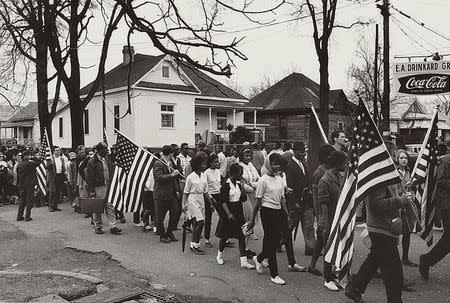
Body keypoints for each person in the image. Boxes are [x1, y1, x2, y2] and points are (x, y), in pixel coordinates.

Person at [345, 142, 413, 303]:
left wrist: (404, 188)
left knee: (374, 260)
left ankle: (355, 287)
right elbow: (376, 205)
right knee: (394, 272)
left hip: (385, 227)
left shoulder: (386, 175)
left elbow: (390, 193)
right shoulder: (378, 178)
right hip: (381, 229)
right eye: (393, 154)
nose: (396, 158)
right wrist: (400, 200)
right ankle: (395, 300)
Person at [249, 153, 291, 285]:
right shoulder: (263, 180)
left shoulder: (279, 178)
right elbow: (258, 202)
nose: (276, 166)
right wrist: (252, 220)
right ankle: (274, 274)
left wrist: (287, 214)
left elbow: (282, 199)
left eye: (278, 163)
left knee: (273, 241)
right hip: (267, 212)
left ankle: (259, 258)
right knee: (272, 243)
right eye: (274, 163)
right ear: (268, 164)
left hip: (278, 211)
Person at [216, 163, 255, 269]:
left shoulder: (238, 185)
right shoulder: (226, 185)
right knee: (225, 236)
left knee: (242, 236)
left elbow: (243, 199)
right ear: (233, 174)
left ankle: (243, 261)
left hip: (238, 211)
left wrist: (242, 187)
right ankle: (219, 255)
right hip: (229, 212)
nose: (241, 176)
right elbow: (223, 201)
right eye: (239, 174)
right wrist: (228, 214)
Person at [318, 151, 347, 291]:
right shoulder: (325, 180)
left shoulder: (338, 176)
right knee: (328, 247)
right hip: (329, 218)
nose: (346, 165)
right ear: (337, 163)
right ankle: (327, 278)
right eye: (344, 162)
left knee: (336, 247)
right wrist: (326, 224)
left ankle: (335, 275)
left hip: (337, 218)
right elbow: (323, 204)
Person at [419, 151, 450, 280]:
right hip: (447, 204)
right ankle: (427, 260)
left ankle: (427, 260)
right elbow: (441, 179)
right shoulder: (447, 160)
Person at [308, 144, 335, 275]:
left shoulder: (331, 169)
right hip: (323, 211)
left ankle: (312, 265)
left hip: (331, 209)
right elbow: (315, 196)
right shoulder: (319, 172)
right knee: (325, 239)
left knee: (320, 239)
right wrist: (319, 216)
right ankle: (329, 271)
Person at [85, 142, 122, 235]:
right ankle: (97, 226)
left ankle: (113, 226)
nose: (107, 150)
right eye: (105, 149)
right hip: (98, 186)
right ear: (100, 150)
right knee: (97, 207)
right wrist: (92, 191)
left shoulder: (107, 159)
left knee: (110, 205)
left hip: (108, 186)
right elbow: (89, 177)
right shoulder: (92, 161)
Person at [182, 152, 215, 255]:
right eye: (203, 164)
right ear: (197, 165)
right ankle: (196, 244)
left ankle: (193, 243)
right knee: (201, 222)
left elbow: (206, 191)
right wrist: (183, 205)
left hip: (201, 199)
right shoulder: (190, 177)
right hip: (192, 199)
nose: (205, 165)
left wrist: (211, 203)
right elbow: (186, 192)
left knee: (197, 222)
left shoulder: (204, 175)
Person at [290, 142, 315, 256]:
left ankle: (310, 247)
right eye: (300, 152)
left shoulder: (304, 164)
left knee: (308, 225)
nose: (303, 154)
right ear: (294, 151)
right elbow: (289, 186)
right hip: (296, 201)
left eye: (304, 151)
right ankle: (278, 242)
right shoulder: (290, 165)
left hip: (307, 200)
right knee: (291, 225)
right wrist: (293, 202)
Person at [153, 145, 181, 243]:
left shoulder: (170, 163)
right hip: (161, 194)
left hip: (171, 193)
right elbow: (159, 177)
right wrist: (172, 174)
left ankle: (169, 232)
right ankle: (162, 235)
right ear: (171, 154)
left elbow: (174, 180)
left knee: (175, 212)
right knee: (160, 217)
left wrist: (177, 190)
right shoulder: (158, 163)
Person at [395, 149, 417, 267]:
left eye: (406, 158)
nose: (404, 160)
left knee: (407, 232)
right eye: (401, 158)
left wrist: (411, 188)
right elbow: (392, 190)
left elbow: (412, 189)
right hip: (397, 205)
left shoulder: (409, 172)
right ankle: (393, 259)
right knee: (395, 232)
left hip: (407, 205)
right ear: (397, 159)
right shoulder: (394, 172)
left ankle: (405, 257)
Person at [239, 148, 260, 244]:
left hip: (254, 192)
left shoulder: (251, 165)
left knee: (254, 212)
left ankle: (251, 230)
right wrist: (252, 187)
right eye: (246, 156)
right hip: (246, 193)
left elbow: (257, 177)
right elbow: (241, 182)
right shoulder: (240, 166)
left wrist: (258, 185)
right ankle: (247, 230)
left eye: (249, 156)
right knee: (247, 213)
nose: (248, 157)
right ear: (242, 156)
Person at [16, 151, 41, 221]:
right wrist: (33, 157)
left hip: (22, 185)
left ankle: (19, 216)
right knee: (29, 201)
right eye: (28, 155)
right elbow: (40, 161)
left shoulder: (19, 165)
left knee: (22, 201)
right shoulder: (30, 163)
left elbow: (18, 177)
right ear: (26, 156)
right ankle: (27, 216)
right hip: (29, 185)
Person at [203, 154, 221, 247]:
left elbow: (219, 184)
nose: (217, 163)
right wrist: (211, 199)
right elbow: (205, 189)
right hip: (209, 197)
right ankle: (207, 239)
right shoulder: (206, 173)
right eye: (215, 162)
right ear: (210, 163)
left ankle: (222, 237)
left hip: (218, 195)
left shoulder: (218, 171)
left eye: (218, 162)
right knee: (208, 218)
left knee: (223, 216)